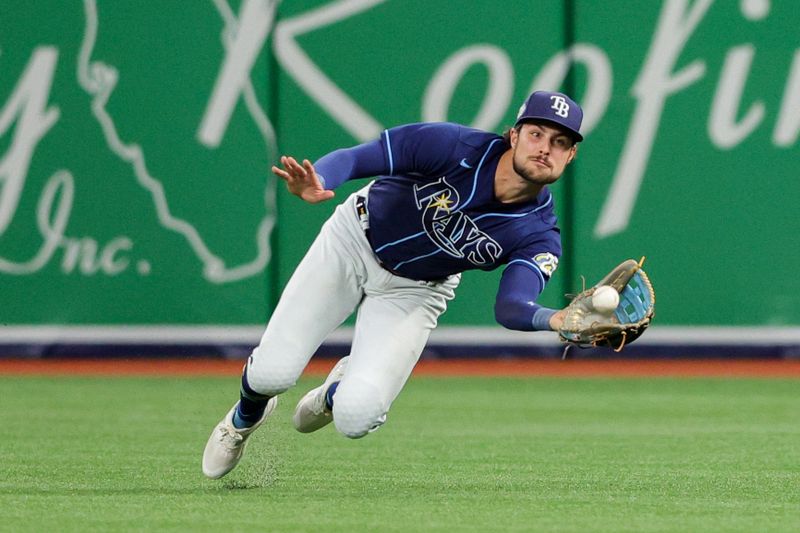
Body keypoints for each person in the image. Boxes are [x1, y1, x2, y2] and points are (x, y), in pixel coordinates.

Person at [202, 90, 583, 479]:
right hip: (353, 241)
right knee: (272, 374)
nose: (545, 149)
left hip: (416, 289)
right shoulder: (453, 146)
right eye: (536, 134)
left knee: (357, 417)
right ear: (514, 135)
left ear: (570, 156)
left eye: (560, 142)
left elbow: (512, 306)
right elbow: (355, 158)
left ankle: (338, 391)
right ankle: (244, 417)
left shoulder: (540, 233)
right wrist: (321, 178)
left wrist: (555, 320)